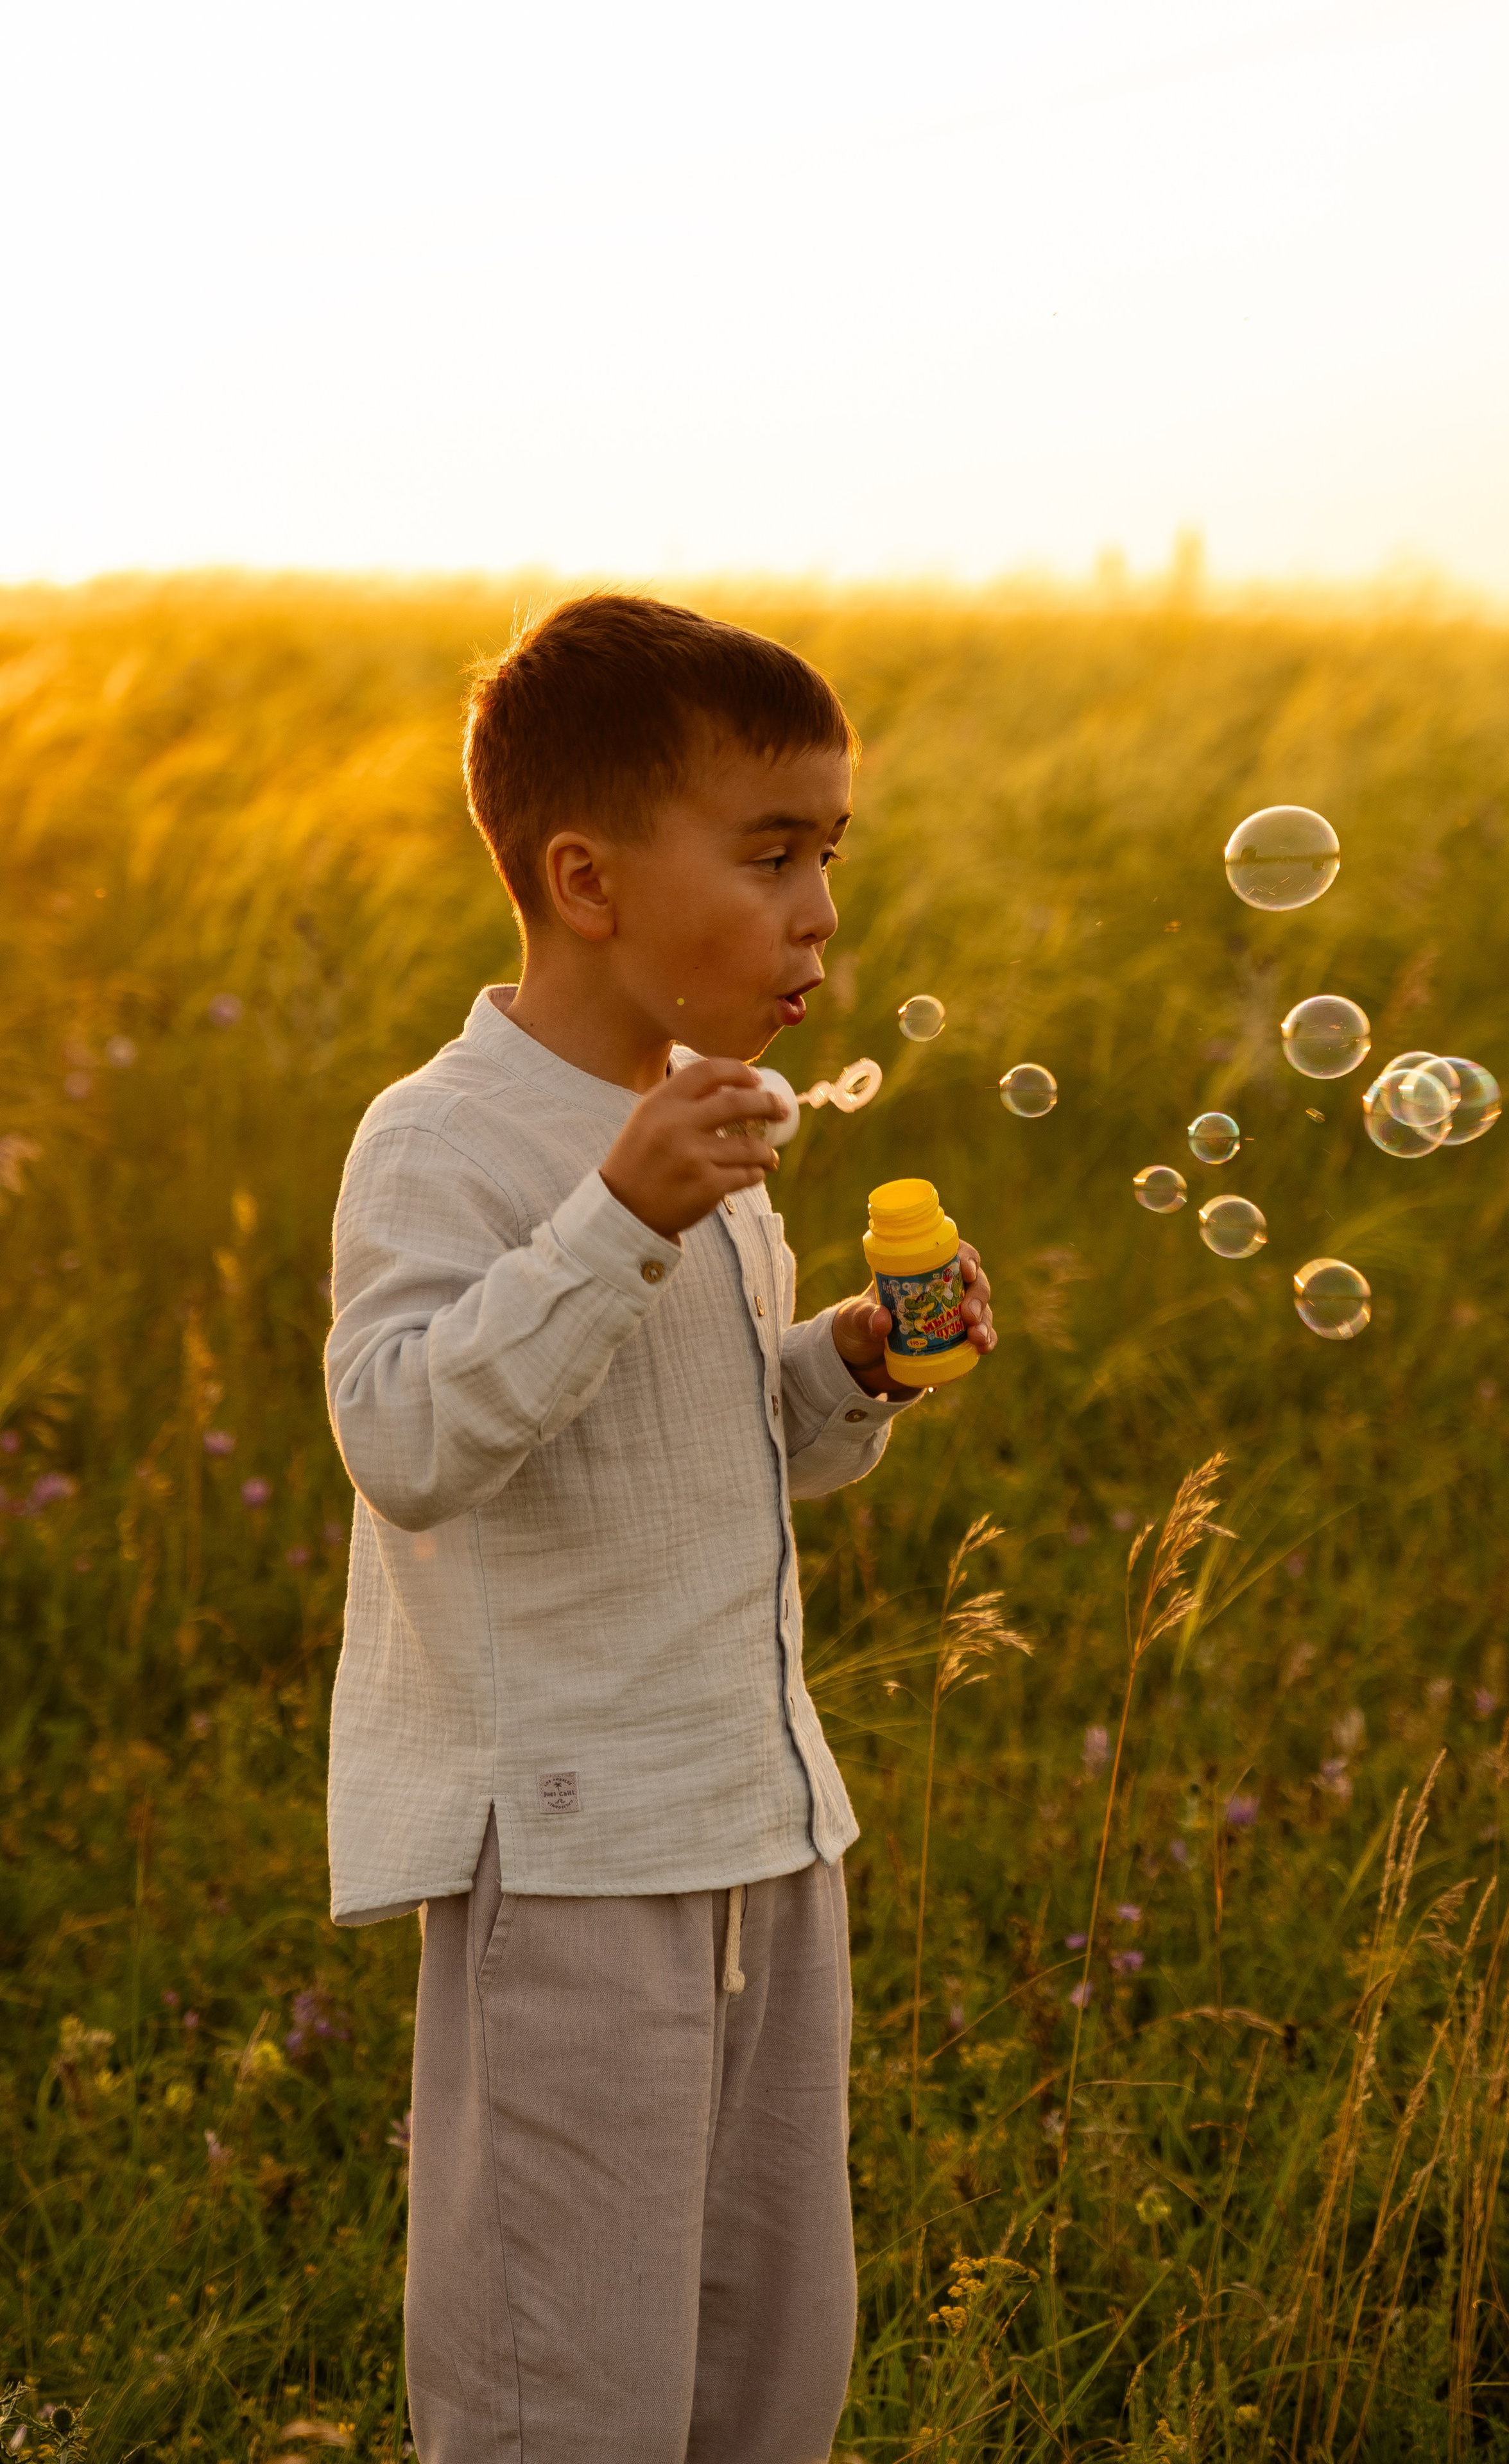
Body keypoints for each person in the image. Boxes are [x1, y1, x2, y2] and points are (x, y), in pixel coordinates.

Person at [322, 595, 997, 2463]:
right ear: (587, 879)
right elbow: (409, 1436)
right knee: (571, 2369)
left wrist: (848, 1366)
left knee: (766, 2343)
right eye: (771, 853)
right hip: (573, 1856)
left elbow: (696, 1445)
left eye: (830, 858)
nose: (818, 913)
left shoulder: (711, 1128)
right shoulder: (451, 1140)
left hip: (763, 1827)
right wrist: (616, 1219)